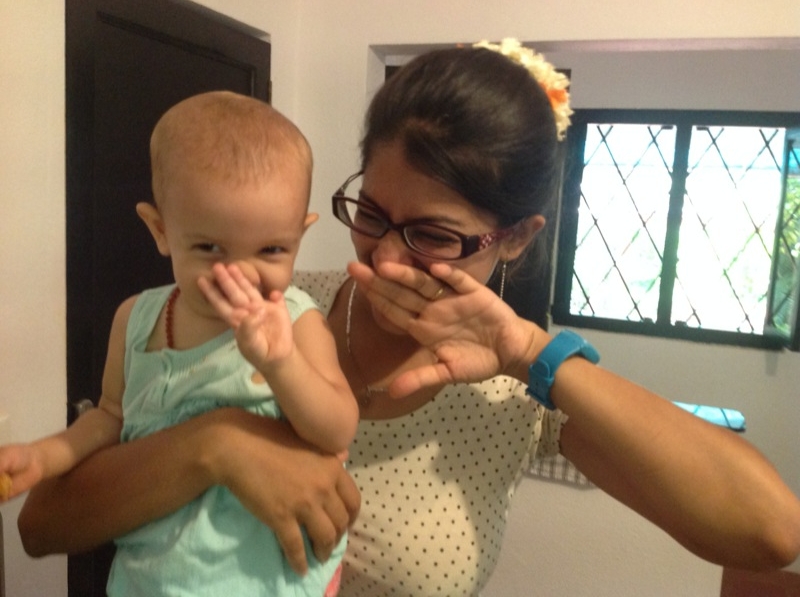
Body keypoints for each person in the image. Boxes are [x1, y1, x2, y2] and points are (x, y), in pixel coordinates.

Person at [18, 41, 800, 597]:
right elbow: (44, 524)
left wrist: (528, 350)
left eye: (432, 235)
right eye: (371, 214)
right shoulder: (263, 302)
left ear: (516, 237)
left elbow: (768, 531)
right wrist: (216, 445)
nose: (387, 259)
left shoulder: (518, 394)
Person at [5, 91, 358, 596]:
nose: (241, 273)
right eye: (210, 247)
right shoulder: (135, 320)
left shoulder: (297, 322)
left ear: (300, 236)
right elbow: (109, 418)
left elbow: (337, 428)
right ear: (160, 230)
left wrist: (282, 365)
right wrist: (46, 455)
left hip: (264, 582)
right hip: (152, 581)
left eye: (271, 249)